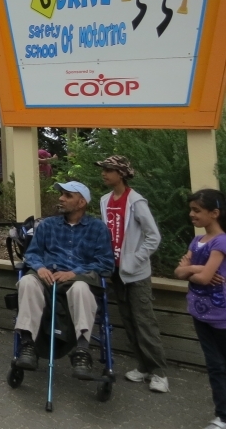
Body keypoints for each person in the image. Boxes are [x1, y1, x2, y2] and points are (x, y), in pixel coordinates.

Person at [12, 181, 115, 380]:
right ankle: (27, 345)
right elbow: (32, 254)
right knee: (27, 282)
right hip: (47, 276)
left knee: (81, 288)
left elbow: (105, 263)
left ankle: (82, 352)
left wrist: (74, 273)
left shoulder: (98, 228)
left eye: (67, 195)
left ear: (81, 202)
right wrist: (40, 267)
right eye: (62, 194)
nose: (61, 198)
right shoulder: (47, 225)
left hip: (78, 280)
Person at [98, 155, 168, 392]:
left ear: (121, 173)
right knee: (128, 321)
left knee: (144, 321)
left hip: (135, 274)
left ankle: (159, 372)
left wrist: (134, 260)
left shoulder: (136, 201)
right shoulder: (105, 200)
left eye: (109, 170)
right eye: (104, 169)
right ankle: (144, 366)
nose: (104, 173)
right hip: (115, 272)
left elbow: (153, 237)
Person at [175, 189, 226, 429]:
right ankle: (222, 415)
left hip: (221, 315)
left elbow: (205, 278)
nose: (191, 214)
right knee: (214, 364)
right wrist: (197, 269)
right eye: (191, 209)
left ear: (214, 213)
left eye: (197, 210)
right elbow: (179, 272)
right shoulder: (197, 240)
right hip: (200, 313)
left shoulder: (221, 241)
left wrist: (192, 268)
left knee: (220, 364)